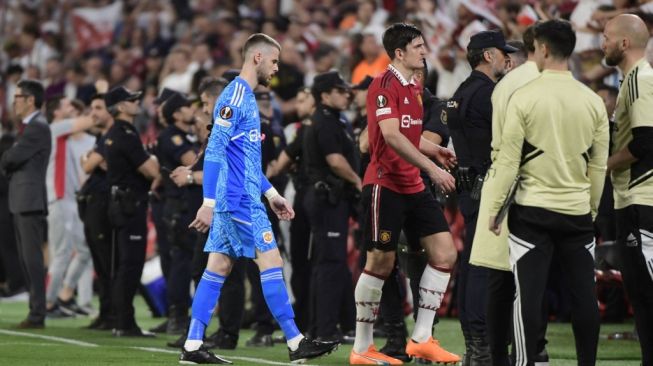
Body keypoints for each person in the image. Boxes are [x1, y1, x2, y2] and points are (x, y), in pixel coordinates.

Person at [180, 33, 338, 365]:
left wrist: (273, 193)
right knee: (272, 262)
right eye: (274, 61)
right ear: (257, 58)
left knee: (219, 267)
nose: (276, 68)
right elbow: (215, 152)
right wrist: (208, 204)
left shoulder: (248, 97)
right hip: (237, 200)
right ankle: (296, 342)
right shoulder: (235, 95)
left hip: (245, 195)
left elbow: (246, 159)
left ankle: (193, 345)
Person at [486, 19, 608, 366]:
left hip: (532, 212)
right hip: (577, 212)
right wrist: (593, 209)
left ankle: (526, 362)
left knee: (529, 297)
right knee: (585, 297)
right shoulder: (593, 101)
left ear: (541, 48)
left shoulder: (523, 97)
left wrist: (495, 209)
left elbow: (509, 163)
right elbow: (597, 167)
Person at [350, 23, 459, 365]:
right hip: (386, 184)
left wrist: (434, 150)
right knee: (379, 263)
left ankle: (422, 337)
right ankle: (361, 348)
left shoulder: (413, 86)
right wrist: (433, 167)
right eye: (418, 46)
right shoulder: (383, 85)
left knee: (445, 254)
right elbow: (392, 137)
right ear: (400, 53)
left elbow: (409, 136)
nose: (425, 51)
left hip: (412, 184)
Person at [467, 26, 549, 366]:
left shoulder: (493, 89)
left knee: (492, 277)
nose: (506, 58)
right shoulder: (524, 86)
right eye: (502, 53)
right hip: (524, 189)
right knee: (524, 277)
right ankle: (528, 350)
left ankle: (488, 351)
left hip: (492, 187)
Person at [446, 30, 516, 364]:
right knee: (486, 267)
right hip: (488, 185)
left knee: (474, 266)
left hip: (469, 186)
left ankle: (476, 342)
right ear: (488, 55)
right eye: (504, 53)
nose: (508, 59)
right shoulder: (490, 93)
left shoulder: (461, 91)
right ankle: (483, 344)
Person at [602, 13, 653, 365]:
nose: (601, 43)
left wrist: (600, 167)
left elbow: (647, 143)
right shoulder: (630, 81)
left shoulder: (641, 81)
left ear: (623, 43)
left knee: (648, 292)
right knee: (641, 295)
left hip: (642, 198)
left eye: (605, 37)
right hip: (631, 199)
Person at [303, 71, 360, 342]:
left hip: (334, 199)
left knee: (329, 264)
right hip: (327, 199)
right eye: (339, 90)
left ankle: (324, 327)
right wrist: (359, 181)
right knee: (329, 264)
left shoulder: (337, 120)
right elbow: (335, 161)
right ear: (325, 95)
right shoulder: (325, 122)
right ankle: (324, 331)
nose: (346, 94)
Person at [104, 86, 162, 337]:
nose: (136, 101)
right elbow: (151, 170)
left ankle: (121, 320)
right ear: (119, 107)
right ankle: (125, 323)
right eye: (130, 100)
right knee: (130, 265)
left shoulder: (115, 132)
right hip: (130, 205)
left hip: (120, 203)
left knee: (124, 264)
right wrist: (155, 161)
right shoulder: (126, 134)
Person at [0, 79, 51, 329]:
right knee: (26, 259)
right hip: (22, 201)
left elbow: (12, 157)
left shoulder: (37, 127)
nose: (13, 102)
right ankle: (35, 310)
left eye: (17, 97)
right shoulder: (29, 127)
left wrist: (7, 157)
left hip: (29, 201)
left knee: (32, 260)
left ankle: (37, 313)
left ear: (30, 100)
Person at [43, 96, 96, 317]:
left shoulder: (64, 135)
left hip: (70, 200)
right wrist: (100, 94)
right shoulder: (55, 128)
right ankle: (47, 303)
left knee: (84, 250)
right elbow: (89, 120)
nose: (72, 109)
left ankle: (64, 294)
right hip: (59, 199)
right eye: (67, 106)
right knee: (63, 253)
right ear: (56, 112)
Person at [157, 92, 199, 334]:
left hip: (186, 205)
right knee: (182, 263)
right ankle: (178, 317)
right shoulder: (171, 135)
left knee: (187, 262)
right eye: (186, 106)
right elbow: (193, 160)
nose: (191, 108)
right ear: (176, 114)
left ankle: (184, 315)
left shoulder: (186, 135)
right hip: (179, 206)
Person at [79, 93, 115, 330]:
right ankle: (105, 312)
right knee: (100, 263)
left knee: (106, 261)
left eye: (98, 108)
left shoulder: (112, 137)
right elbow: (89, 163)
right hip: (93, 202)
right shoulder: (102, 138)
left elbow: (88, 164)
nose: (93, 113)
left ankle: (111, 313)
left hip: (103, 203)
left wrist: (89, 160)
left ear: (111, 111)